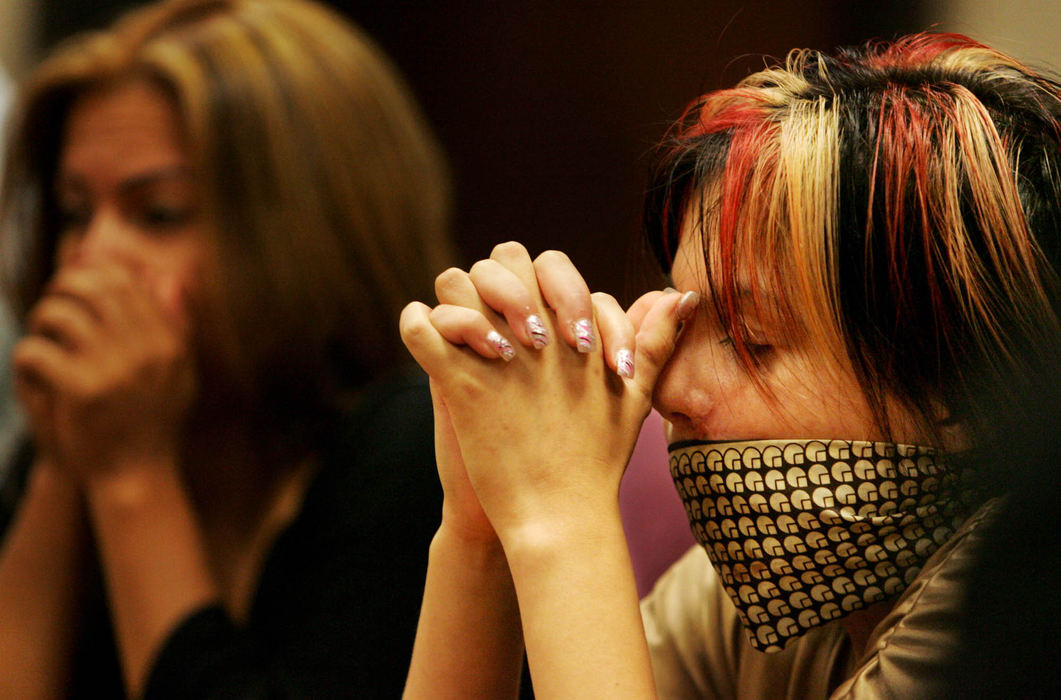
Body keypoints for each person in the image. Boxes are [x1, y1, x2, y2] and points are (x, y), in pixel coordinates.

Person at [399, 32, 1061, 697]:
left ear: (960, 383)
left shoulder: (1024, 596)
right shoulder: (773, 593)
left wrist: (556, 514)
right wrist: (477, 532)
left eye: (751, 339)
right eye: (681, 325)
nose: (669, 392)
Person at [0, 0, 451, 696]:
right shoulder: (83, 440)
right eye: (74, 212)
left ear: (308, 233)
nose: (87, 263)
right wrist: (67, 463)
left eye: (159, 214)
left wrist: (129, 475)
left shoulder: (416, 447)